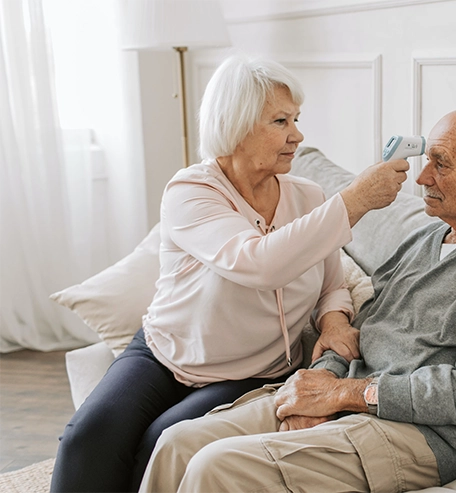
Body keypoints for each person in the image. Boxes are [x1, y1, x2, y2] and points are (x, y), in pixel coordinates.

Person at [138, 107, 456, 493]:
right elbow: (359, 329)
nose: (421, 179)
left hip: (415, 432)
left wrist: (347, 395)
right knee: (177, 443)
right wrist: (316, 388)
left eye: (440, 165)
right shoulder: (425, 240)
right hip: (347, 398)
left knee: (216, 468)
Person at [50, 55, 409, 493]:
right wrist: (355, 199)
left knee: (159, 444)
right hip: (164, 355)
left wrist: (333, 319)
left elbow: (332, 283)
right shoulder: (191, 191)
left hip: (253, 370)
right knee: (87, 438)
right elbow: (258, 262)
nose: (297, 135)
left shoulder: (310, 197)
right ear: (235, 125)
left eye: (296, 118)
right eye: (280, 121)